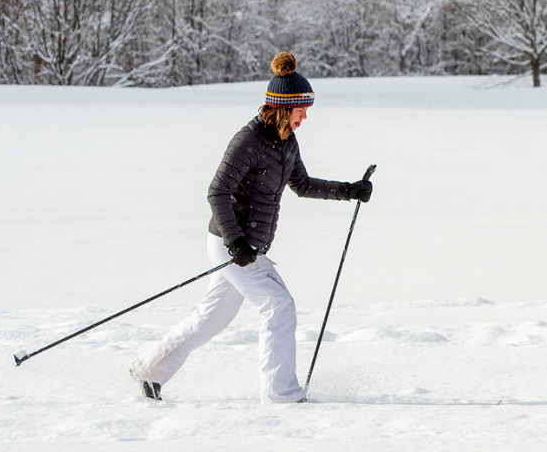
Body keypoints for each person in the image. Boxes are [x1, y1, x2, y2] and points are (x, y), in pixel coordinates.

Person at [129, 52, 373, 403]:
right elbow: (218, 191)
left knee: (211, 318)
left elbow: (301, 185)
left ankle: (149, 370)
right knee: (278, 305)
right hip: (233, 242)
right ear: (283, 106)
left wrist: (347, 190)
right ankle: (281, 394)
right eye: (301, 108)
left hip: (246, 243)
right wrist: (236, 242)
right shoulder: (250, 140)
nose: (305, 115)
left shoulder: (286, 141)